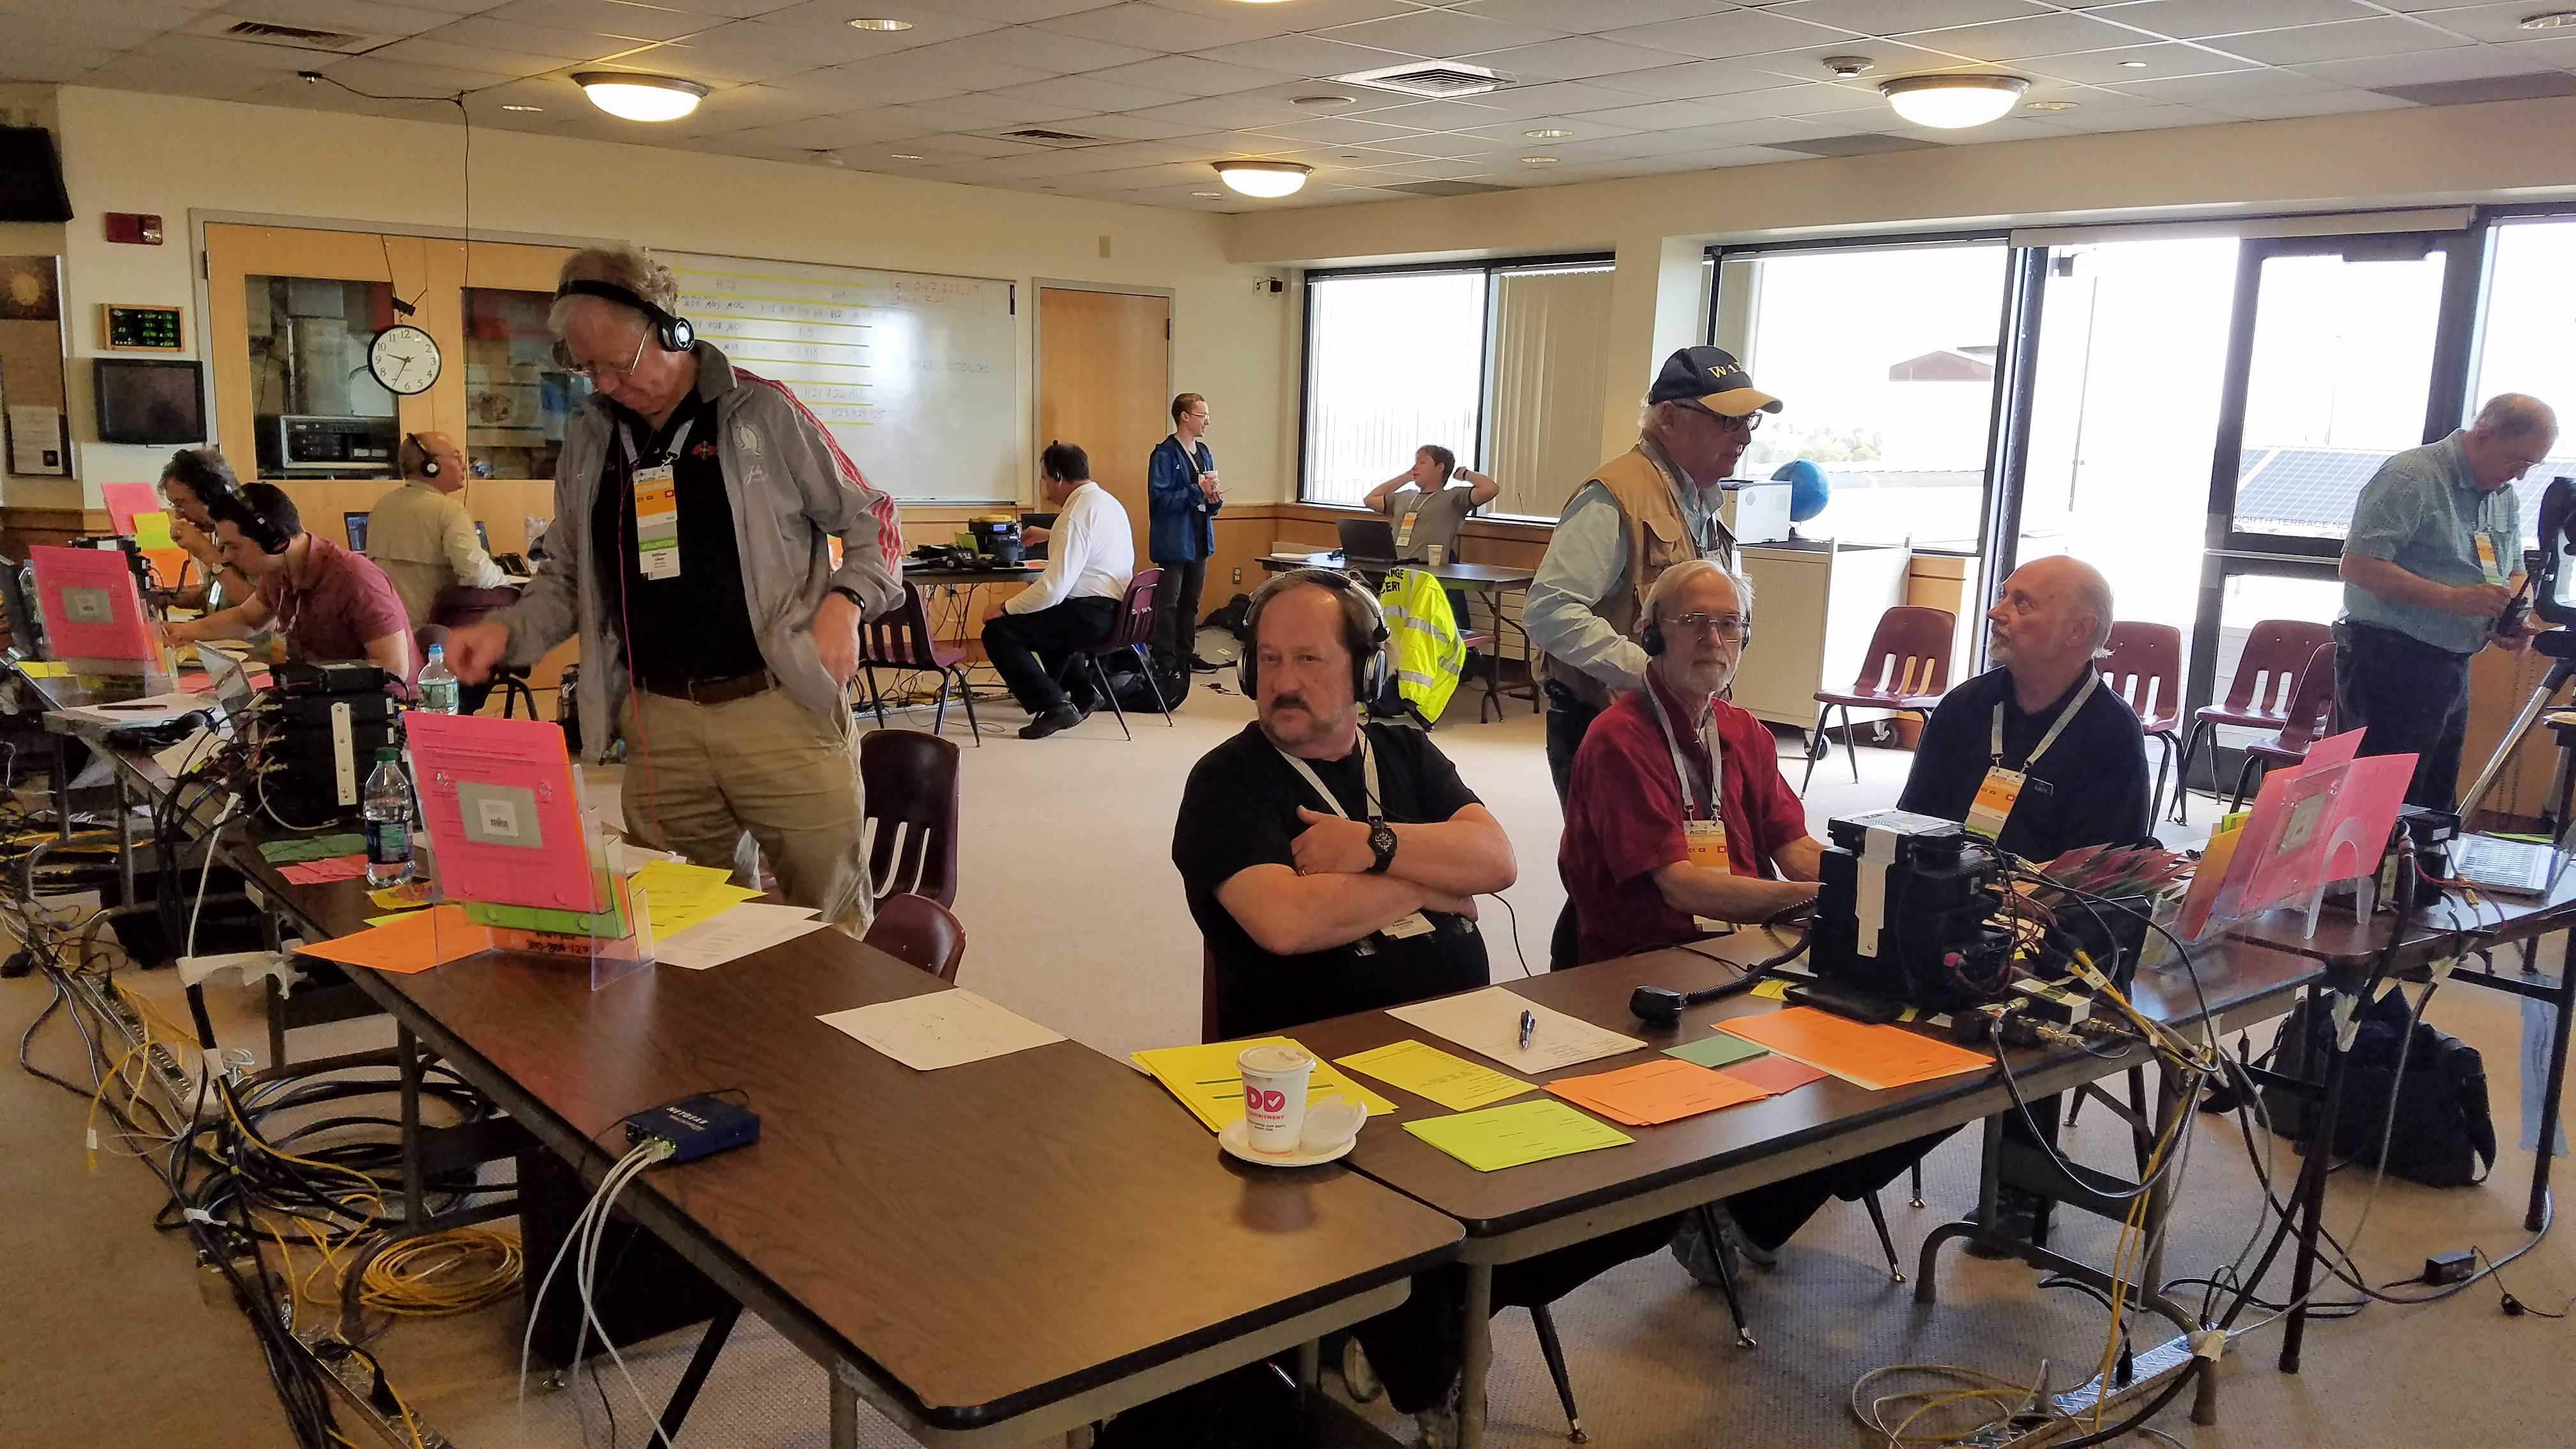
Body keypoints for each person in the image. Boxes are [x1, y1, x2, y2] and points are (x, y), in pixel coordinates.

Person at [1170, 567, 1666, 1444]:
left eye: (1310, 659)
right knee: (1430, 1219)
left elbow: (1496, 861)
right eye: (1269, 659)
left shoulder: (1404, 753)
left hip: (1466, 1054)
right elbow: (1286, 922)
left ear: (1365, 669)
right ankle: (1415, 1344)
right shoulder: (1227, 781)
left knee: (1628, 1175)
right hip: (1326, 1087)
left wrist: (1369, 845)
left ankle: (1406, 1319)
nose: (1283, 680)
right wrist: (1425, 886)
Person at [445, 243, 901, 932]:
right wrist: (505, 631)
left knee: (829, 927)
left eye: (617, 363)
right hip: (658, 722)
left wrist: (848, 600)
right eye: (587, 367)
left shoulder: (763, 412)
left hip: (779, 709)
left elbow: (876, 519)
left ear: (671, 331)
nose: (604, 384)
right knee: (686, 930)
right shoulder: (592, 439)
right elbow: (568, 575)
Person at [1526, 346, 1778, 802]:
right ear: (1670, 418)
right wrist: (1649, 674)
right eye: (1728, 421)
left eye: (1749, 421)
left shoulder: (1703, 501)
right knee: (1627, 851)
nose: (1744, 437)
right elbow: (1549, 611)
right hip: (1611, 727)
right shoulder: (1613, 496)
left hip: (1682, 720)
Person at [1560, 560, 1821, 965]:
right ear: (1653, 636)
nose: (1713, 640)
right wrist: (1814, 899)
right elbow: (1680, 887)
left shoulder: (1746, 732)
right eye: (1694, 622)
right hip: (1651, 961)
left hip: (1743, 945)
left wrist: (1870, 880)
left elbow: (1795, 849)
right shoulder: (1619, 741)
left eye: (1729, 624)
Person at [2336, 393, 2556, 809]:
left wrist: (2511, 616)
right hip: (2388, 660)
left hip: (2452, 662)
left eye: (2532, 465)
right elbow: (2359, 566)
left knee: (2434, 804)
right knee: (2383, 805)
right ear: (2484, 433)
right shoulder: (2411, 476)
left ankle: (2422, 856)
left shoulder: (2502, 495)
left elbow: (2511, 571)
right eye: (2517, 460)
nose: (2521, 475)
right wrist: (2453, 598)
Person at [1898, 554, 2152, 863]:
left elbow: (2096, 873)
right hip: (1945, 886)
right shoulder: (1963, 705)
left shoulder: (2113, 734)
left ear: (2078, 630)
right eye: (2004, 595)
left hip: (2043, 893)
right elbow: (1911, 824)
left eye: (2022, 603)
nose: (1994, 612)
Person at [162, 482, 417, 683]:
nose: (227, 556)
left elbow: (393, 667)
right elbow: (247, 619)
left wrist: (311, 683)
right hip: (324, 698)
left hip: (384, 710)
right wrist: (178, 632)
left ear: (276, 541)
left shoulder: (355, 579)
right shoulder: (279, 569)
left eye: (234, 547)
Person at [983, 441, 1132, 739]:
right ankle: (1083, 693)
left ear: (1058, 477)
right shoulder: (1107, 503)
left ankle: (1053, 705)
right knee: (1047, 619)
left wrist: (1003, 608)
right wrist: (1052, 535)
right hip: (1115, 614)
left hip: (1092, 617)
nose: (1046, 488)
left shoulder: (1075, 514)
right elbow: (1089, 543)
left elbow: (1052, 589)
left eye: (1045, 479)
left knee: (997, 633)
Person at [366, 430, 507, 631]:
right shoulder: (449, 511)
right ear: (431, 466)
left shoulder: (381, 507)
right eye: (457, 458)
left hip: (390, 634)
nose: (464, 466)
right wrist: (510, 585)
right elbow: (479, 576)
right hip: (434, 636)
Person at [1147, 392, 1221, 671]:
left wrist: (1213, 499)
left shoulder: (1204, 453)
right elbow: (1160, 501)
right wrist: (1197, 491)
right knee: (1169, 603)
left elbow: (1207, 497)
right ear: (1185, 417)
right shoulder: (1164, 455)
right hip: (1173, 541)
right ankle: (1165, 658)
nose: (1207, 422)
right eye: (1203, 416)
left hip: (1199, 536)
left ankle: (1186, 653)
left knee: (1191, 601)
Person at [157, 448, 257, 612]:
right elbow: (219, 600)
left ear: (212, 495)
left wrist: (207, 554)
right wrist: (166, 599)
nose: (178, 515)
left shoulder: (255, 531)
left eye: (181, 504)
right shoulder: (222, 530)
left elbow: (260, 609)